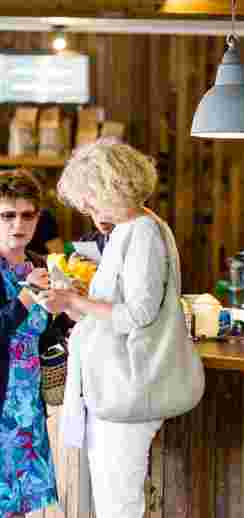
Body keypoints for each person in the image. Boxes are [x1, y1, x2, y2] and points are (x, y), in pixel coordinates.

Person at [40, 140, 166, 518]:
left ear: (109, 189)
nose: (90, 211)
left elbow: (140, 314)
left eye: (90, 201)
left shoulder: (142, 232)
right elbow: (112, 313)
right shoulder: (127, 233)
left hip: (125, 386)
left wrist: (74, 302)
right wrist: (76, 298)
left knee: (119, 505)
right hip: (111, 385)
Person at [0, 169, 62, 517]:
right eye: (7, 215)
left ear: (38, 218)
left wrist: (68, 306)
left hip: (28, 408)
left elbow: (47, 334)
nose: (17, 224)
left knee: (19, 508)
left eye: (27, 215)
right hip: (1, 406)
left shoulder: (41, 265)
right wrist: (25, 297)